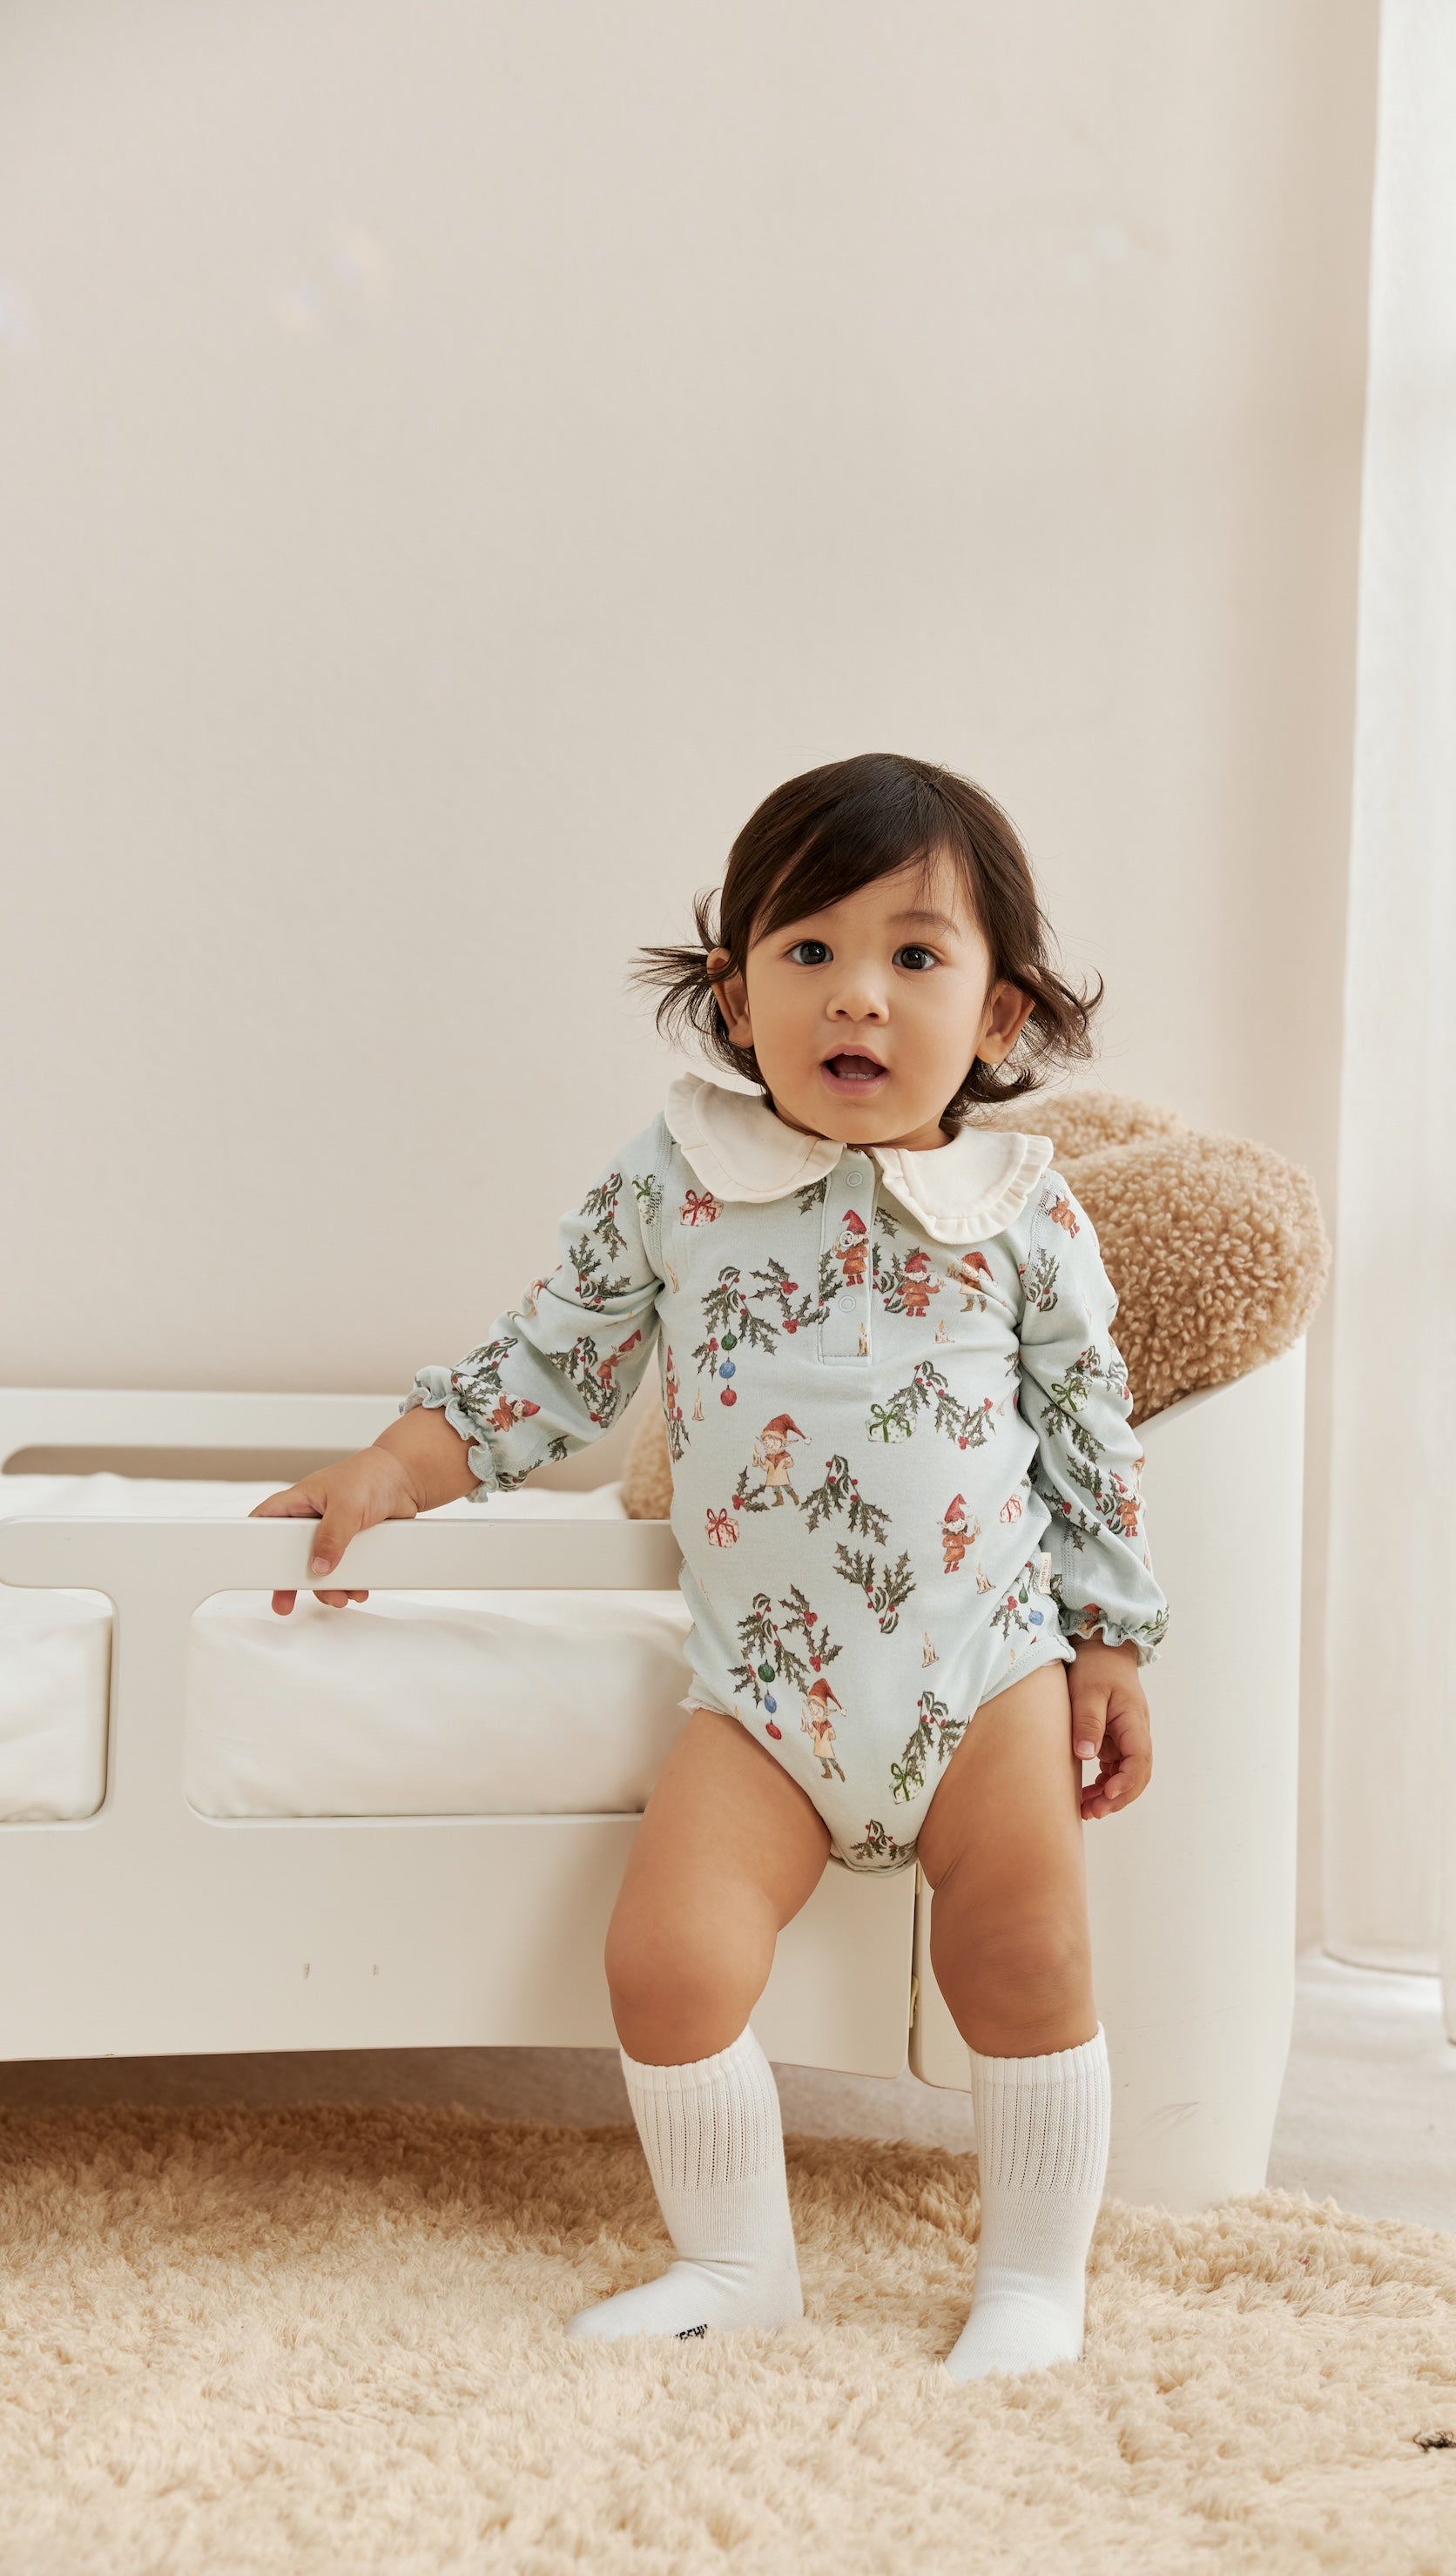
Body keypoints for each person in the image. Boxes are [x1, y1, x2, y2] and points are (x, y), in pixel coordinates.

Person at [253, 752, 1168, 2381]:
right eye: (804, 951)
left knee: (1023, 1961)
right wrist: (402, 1462)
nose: (856, 999)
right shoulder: (679, 1184)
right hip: (770, 1688)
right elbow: (555, 1360)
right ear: (735, 999)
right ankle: (734, 2262)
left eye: (912, 954)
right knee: (666, 1964)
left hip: (985, 1672)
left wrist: (1108, 1645)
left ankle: (1035, 2283)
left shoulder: (1023, 1212)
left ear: (1001, 1017)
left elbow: (1088, 1437)